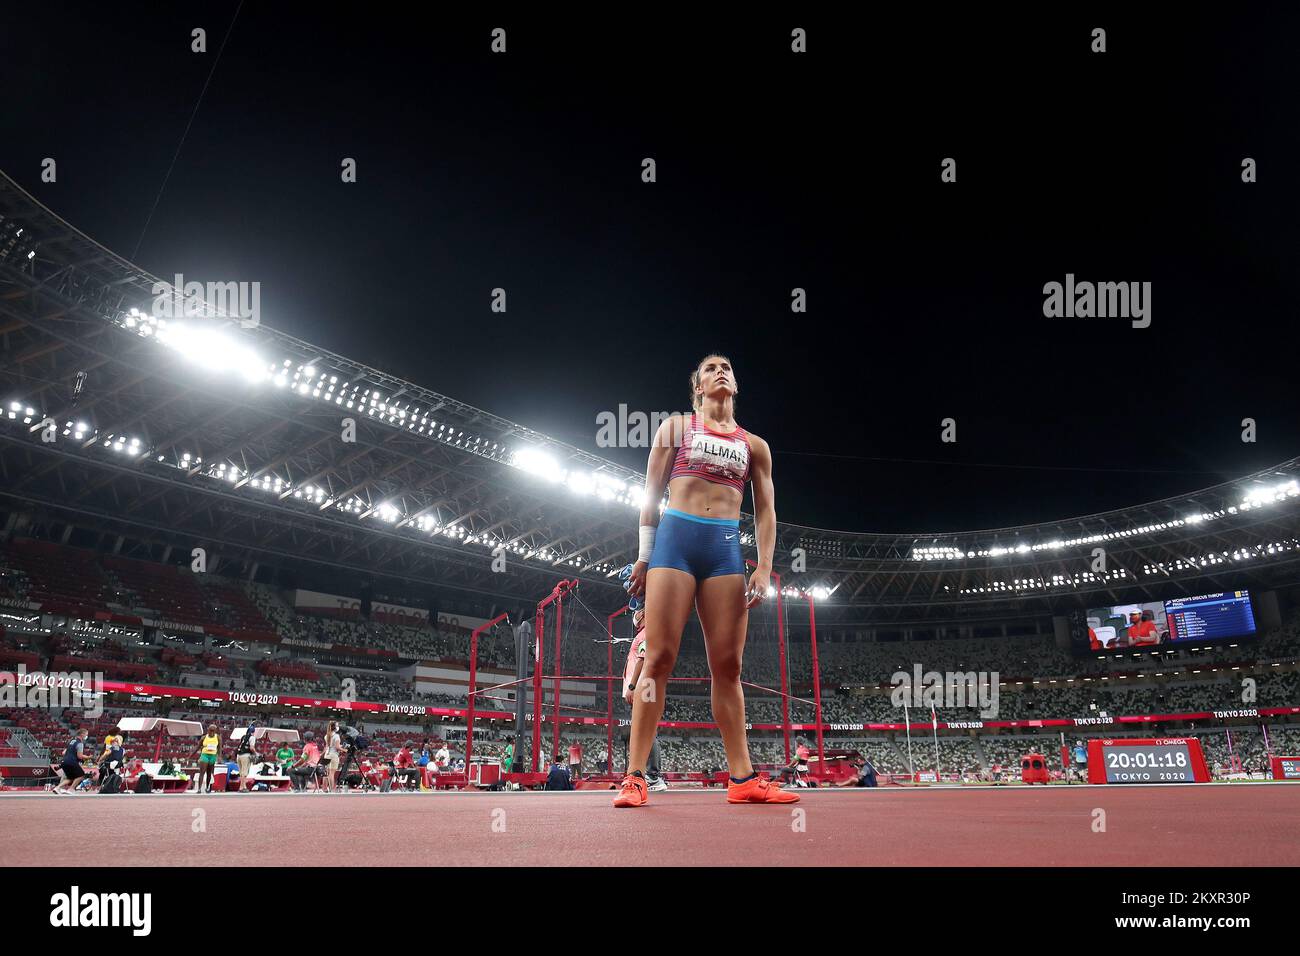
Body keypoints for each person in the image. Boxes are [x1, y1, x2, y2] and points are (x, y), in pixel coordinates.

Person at [618, 355, 797, 808]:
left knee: (729, 668)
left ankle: (742, 779)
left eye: (728, 367)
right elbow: (650, 496)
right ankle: (635, 776)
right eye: (711, 367)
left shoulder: (755, 445)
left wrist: (763, 565)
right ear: (697, 385)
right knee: (658, 657)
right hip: (674, 545)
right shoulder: (675, 428)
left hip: (723, 553)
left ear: (735, 385)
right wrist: (642, 556)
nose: (721, 370)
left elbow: (766, 511)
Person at [622, 604, 667, 791]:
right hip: (646, 684)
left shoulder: (646, 633)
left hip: (644, 684)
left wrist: (632, 686)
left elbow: (642, 658)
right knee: (647, 728)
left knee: (647, 729)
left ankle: (653, 776)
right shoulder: (646, 633)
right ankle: (652, 774)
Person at [53, 728, 92, 794]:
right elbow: (79, 756)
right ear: (82, 734)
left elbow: (63, 752)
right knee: (81, 775)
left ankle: (57, 788)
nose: (86, 736)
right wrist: (88, 757)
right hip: (72, 761)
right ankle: (71, 789)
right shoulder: (80, 743)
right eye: (86, 734)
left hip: (64, 761)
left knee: (70, 778)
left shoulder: (72, 741)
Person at [195, 724, 222, 794]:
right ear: (208, 730)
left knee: (209, 773)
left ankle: (207, 788)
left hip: (213, 756)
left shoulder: (218, 737)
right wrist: (190, 755)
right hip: (205, 755)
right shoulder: (204, 738)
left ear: (215, 731)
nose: (212, 732)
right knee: (202, 772)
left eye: (213, 731)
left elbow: (219, 748)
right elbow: (197, 747)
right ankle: (199, 789)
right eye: (210, 730)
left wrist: (219, 757)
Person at [235, 723, 259, 792]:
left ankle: (244, 786)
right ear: (253, 732)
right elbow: (251, 748)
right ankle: (241, 787)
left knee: (241, 772)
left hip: (238, 755)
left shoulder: (243, 736)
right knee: (245, 772)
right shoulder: (252, 737)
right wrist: (256, 753)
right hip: (246, 755)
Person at [322, 721, 341, 792]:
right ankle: (332, 789)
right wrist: (345, 749)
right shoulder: (336, 736)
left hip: (327, 754)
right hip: (333, 755)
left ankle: (324, 788)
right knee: (332, 773)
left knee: (327, 772)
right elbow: (337, 747)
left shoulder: (326, 736)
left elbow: (327, 746)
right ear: (335, 727)